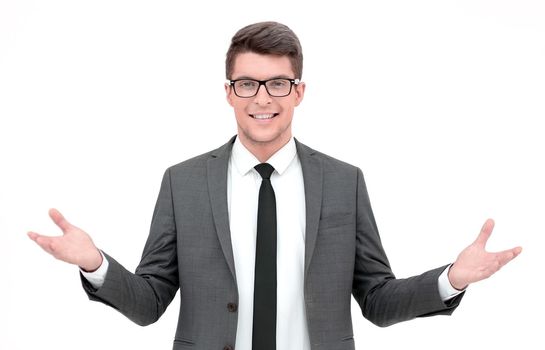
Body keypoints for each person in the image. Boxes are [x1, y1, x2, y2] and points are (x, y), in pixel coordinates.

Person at [28, 21, 522, 350]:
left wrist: (452, 279)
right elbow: (150, 301)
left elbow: (377, 300)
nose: (262, 98)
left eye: (277, 83)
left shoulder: (343, 182)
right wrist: (94, 264)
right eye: (247, 83)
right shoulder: (183, 182)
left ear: (298, 91)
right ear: (229, 93)